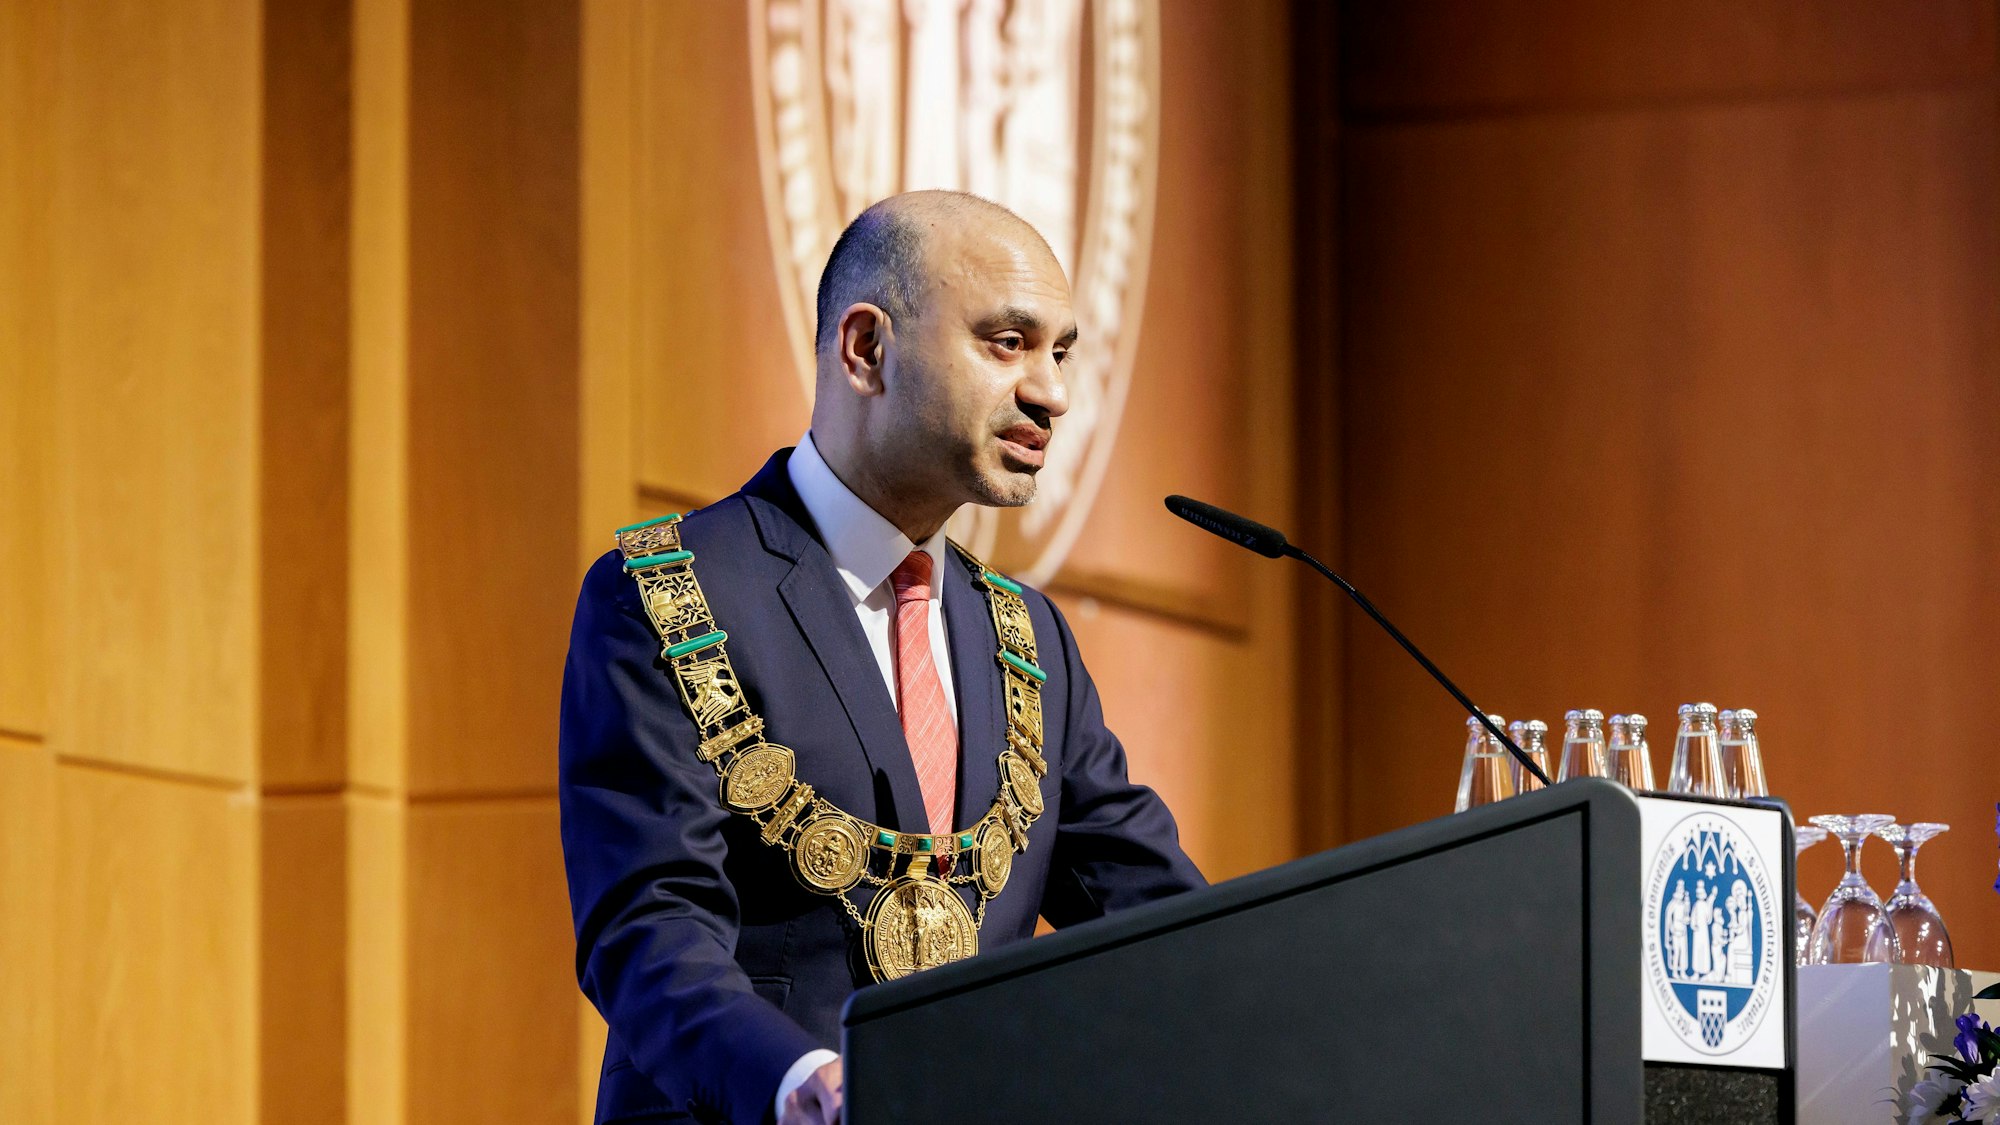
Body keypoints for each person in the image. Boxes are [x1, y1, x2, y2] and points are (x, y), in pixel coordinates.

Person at [559, 190, 1206, 1125]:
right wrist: (798, 1082)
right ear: (867, 350)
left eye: (1061, 351)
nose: (1053, 393)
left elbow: (1163, 931)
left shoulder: (1029, 640)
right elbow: (649, 928)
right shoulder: (670, 591)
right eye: (1007, 342)